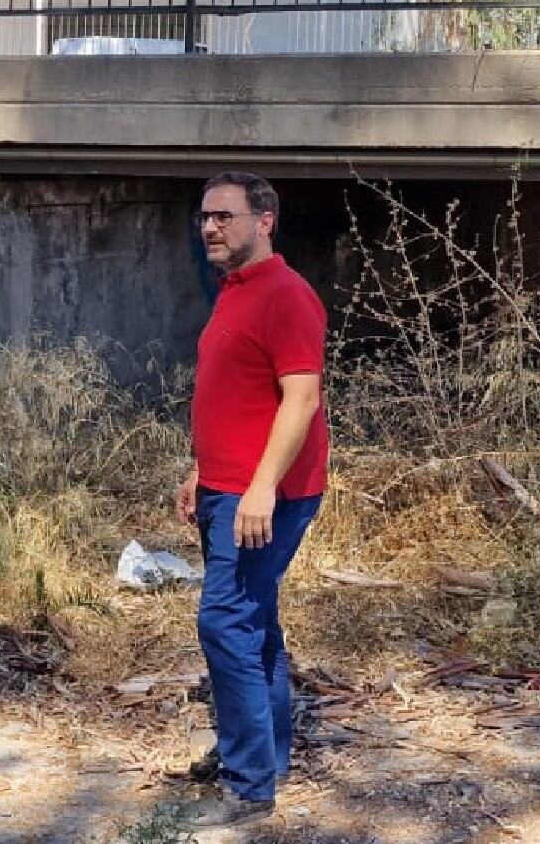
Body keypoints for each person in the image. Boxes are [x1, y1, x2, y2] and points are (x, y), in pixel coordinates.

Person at [175, 171, 329, 828]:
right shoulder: (235, 289)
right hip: (226, 484)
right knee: (254, 621)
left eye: (225, 216)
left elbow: (301, 397)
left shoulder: (285, 295)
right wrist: (200, 470)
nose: (211, 227)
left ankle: (249, 784)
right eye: (206, 216)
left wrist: (260, 486)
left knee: (226, 621)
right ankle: (266, 755)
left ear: (265, 220)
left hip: (263, 492)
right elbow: (237, 393)